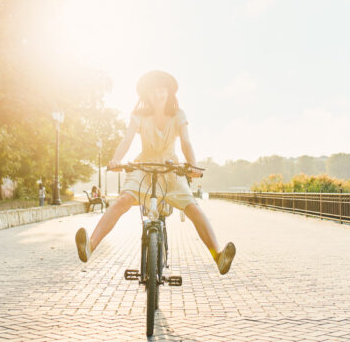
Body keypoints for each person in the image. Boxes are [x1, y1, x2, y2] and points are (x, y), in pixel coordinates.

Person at [75, 70, 236, 275]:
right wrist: (116, 160)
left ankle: (218, 256)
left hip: (171, 170)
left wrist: (192, 165)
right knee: (122, 200)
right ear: (147, 96)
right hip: (144, 167)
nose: (158, 95)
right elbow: (127, 139)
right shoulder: (139, 116)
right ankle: (90, 245)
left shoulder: (179, 115)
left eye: (162, 91)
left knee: (193, 208)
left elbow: (186, 142)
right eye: (153, 92)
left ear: (169, 93)